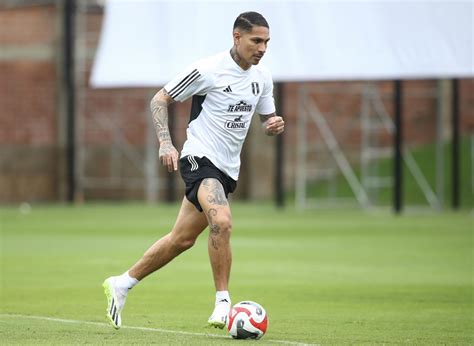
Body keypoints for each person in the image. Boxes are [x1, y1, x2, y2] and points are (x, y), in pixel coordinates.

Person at [102, 11, 285, 330]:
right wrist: (165, 143)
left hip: (227, 169)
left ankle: (122, 283)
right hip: (199, 157)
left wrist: (272, 126)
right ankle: (223, 303)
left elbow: (265, 120)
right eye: (256, 41)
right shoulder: (208, 70)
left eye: (267, 42)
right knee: (223, 221)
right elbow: (159, 99)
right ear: (237, 37)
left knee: (181, 240)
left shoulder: (262, 77)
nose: (262, 48)